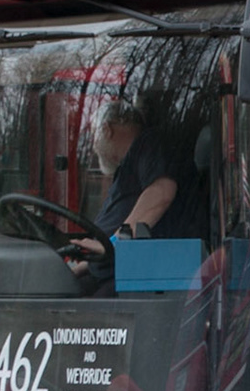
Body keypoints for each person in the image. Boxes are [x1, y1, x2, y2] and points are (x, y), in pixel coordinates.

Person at [68, 102, 195, 276]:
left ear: (107, 130)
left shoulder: (150, 142)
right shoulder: (128, 168)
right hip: (108, 272)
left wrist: (113, 243)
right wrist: (81, 266)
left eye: (94, 138)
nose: (94, 147)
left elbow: (162, 191)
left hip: (133, 281)